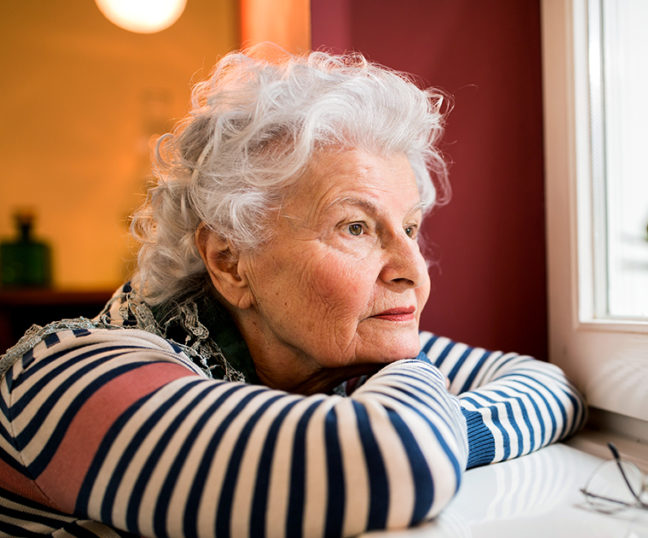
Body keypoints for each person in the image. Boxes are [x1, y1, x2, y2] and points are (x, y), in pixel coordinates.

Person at [0, 49, 585, 537]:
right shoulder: (66, 376)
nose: (414, 270)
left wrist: (431, 411)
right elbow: (401, 459)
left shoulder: (324, 352)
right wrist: (415, 384)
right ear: (230, 262)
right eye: (355, 227)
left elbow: (548, 386)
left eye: (408, 228)